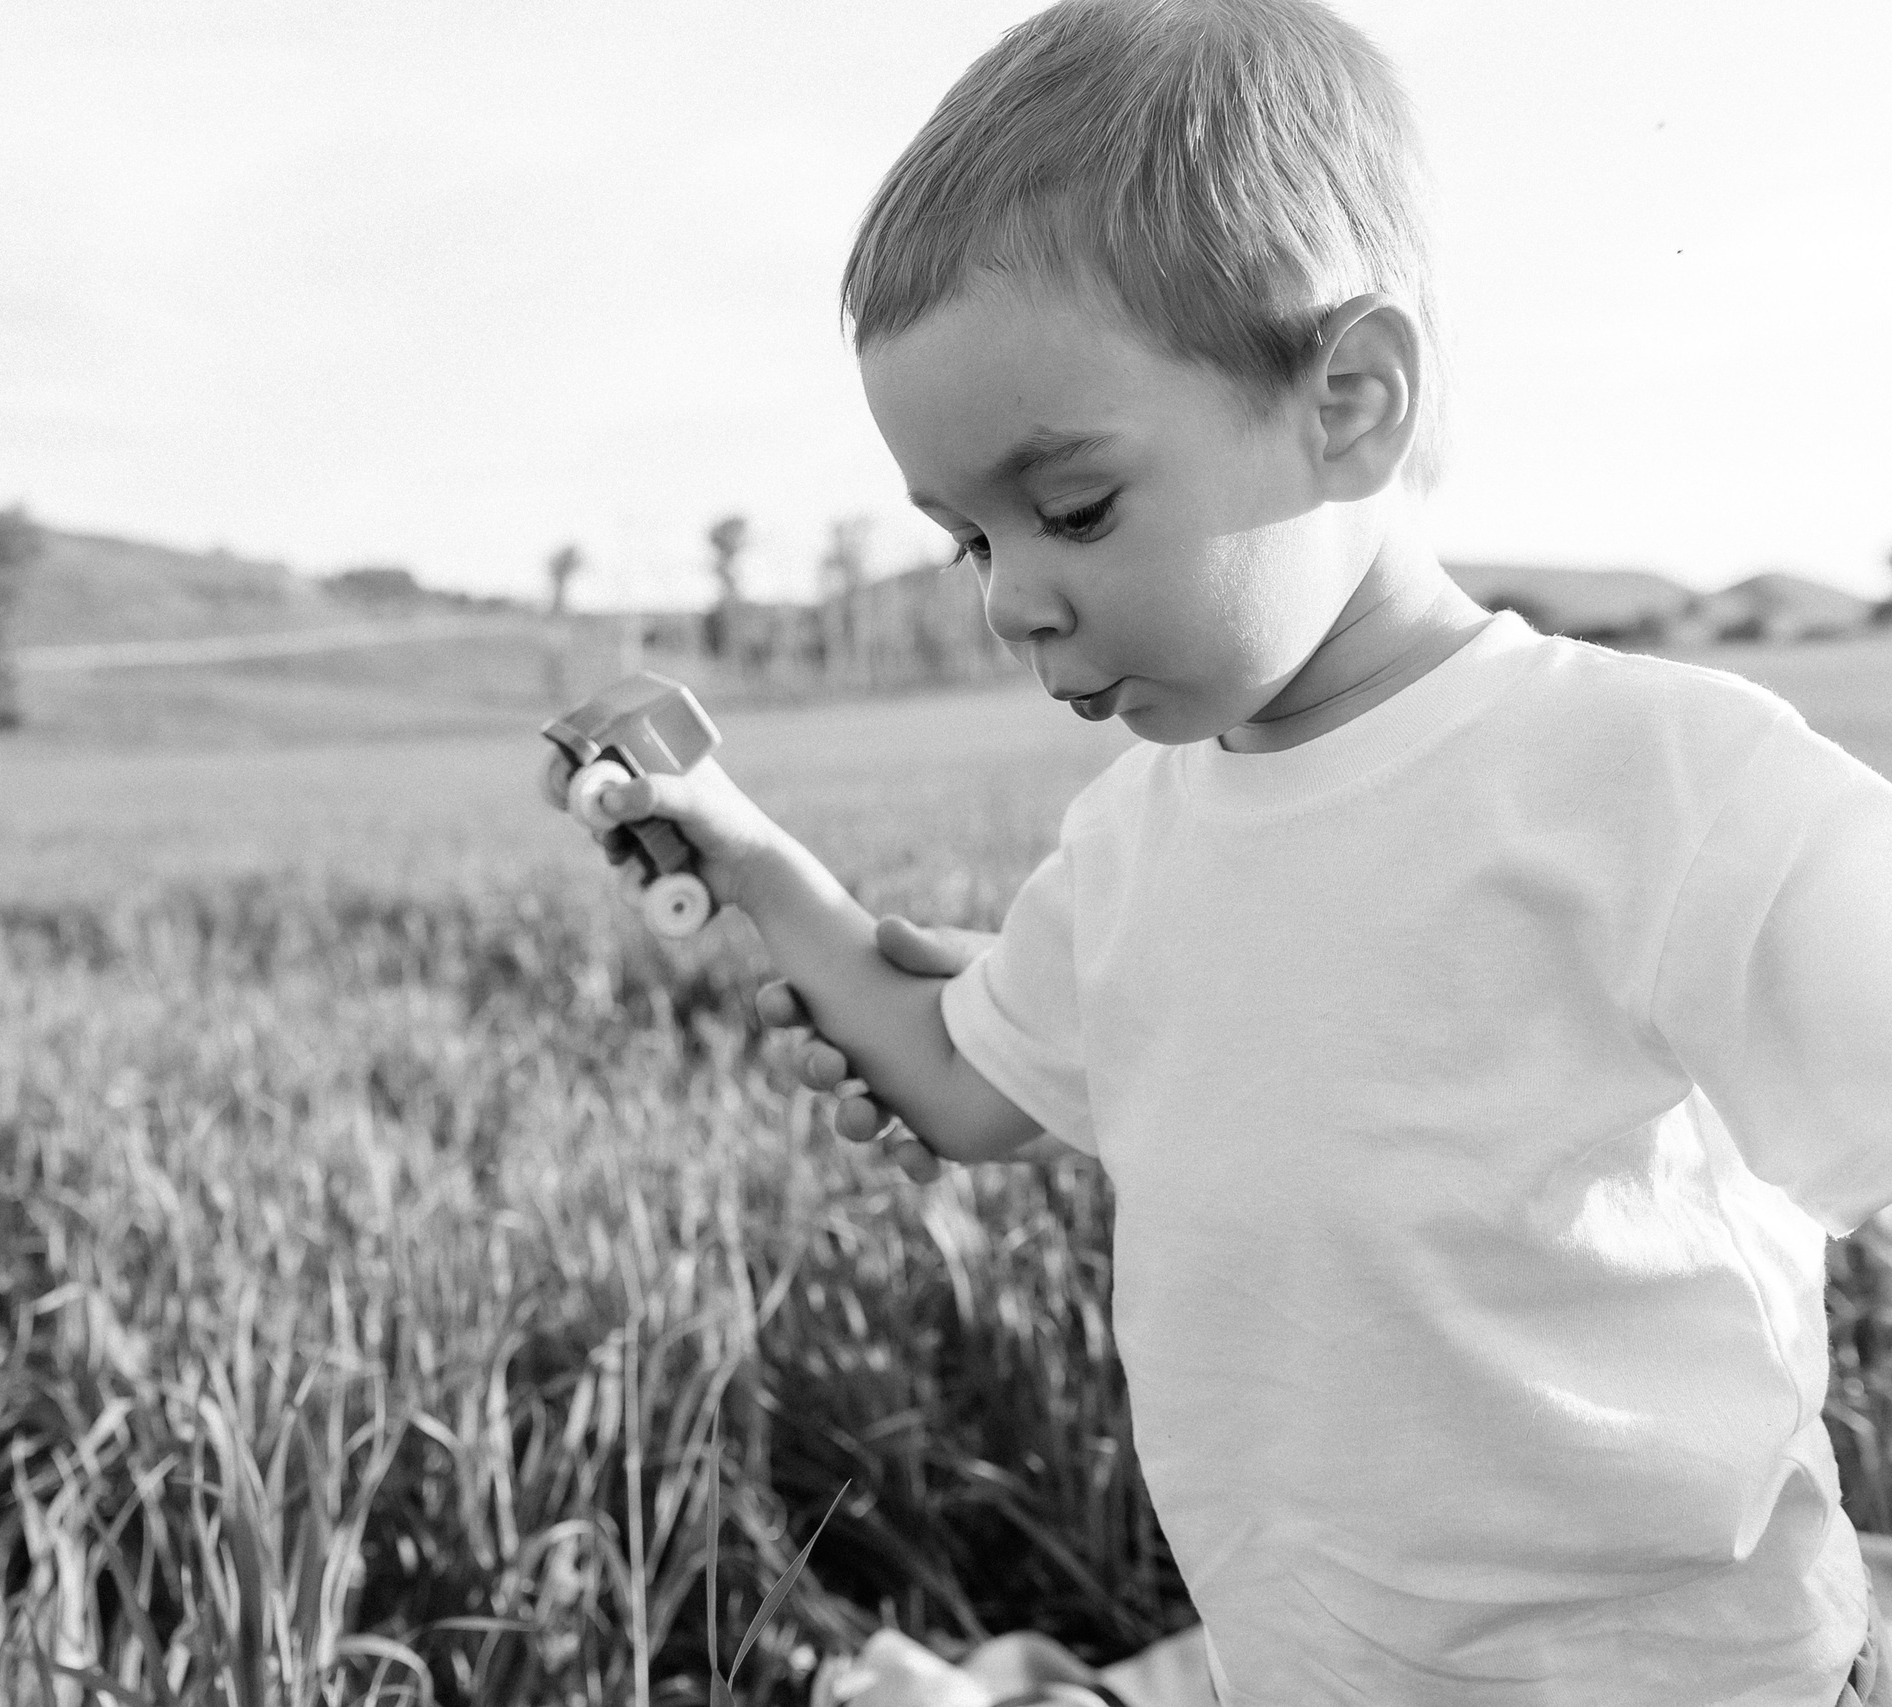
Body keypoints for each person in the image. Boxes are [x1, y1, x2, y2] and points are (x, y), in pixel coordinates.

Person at [542, 0, 1892, 1699]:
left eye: (1076, 509)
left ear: (1347, 403)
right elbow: (963, 1083)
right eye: (967, 537)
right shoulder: (1133, 853)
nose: (1012, 597)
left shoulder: (1656, 785)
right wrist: (734, 845)